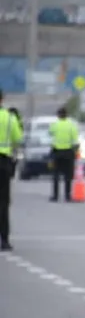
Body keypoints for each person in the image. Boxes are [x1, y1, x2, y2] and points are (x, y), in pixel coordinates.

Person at [0, 89, 23, 250]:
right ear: (2, 99)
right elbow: (17, 139)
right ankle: (4, 240)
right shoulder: (9, 118)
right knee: (3, 202)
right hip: (4, 162)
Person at [48, 107, 79, 202]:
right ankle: (67, 196)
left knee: (55, 176)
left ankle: (55, 196)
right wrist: (76, 152)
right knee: (68, 176)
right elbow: (75, 141)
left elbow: (50, 134)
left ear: (58, 115)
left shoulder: (54, 125)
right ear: (67, 115)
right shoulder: (72, 125)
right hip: (68, 152)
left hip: (56, 152)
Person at [7, 107, 21, 178]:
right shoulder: (17, 120)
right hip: (14, 143)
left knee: (13, 158)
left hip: (10, 143)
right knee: (15, 159)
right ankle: (12, 172)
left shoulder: (8, 119)